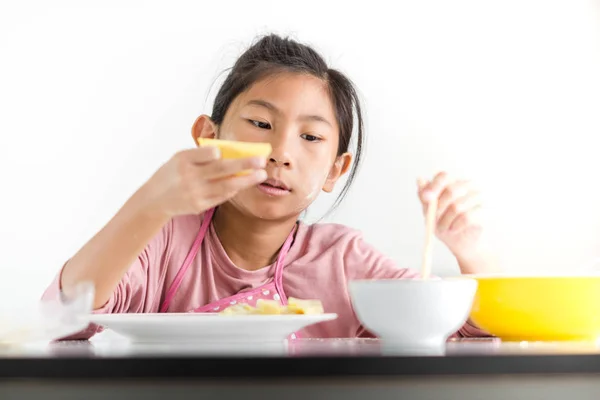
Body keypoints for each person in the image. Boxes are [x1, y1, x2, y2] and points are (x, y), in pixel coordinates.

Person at [42, 34, 498, 339]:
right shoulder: (164, 239)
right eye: (261, 123)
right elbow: (63, 319)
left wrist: (469, 250)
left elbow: (464, 335)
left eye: (311, 137)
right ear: (209, 135)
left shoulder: (343, 260)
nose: (280, 152)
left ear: (335, 170)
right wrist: (149, 206)